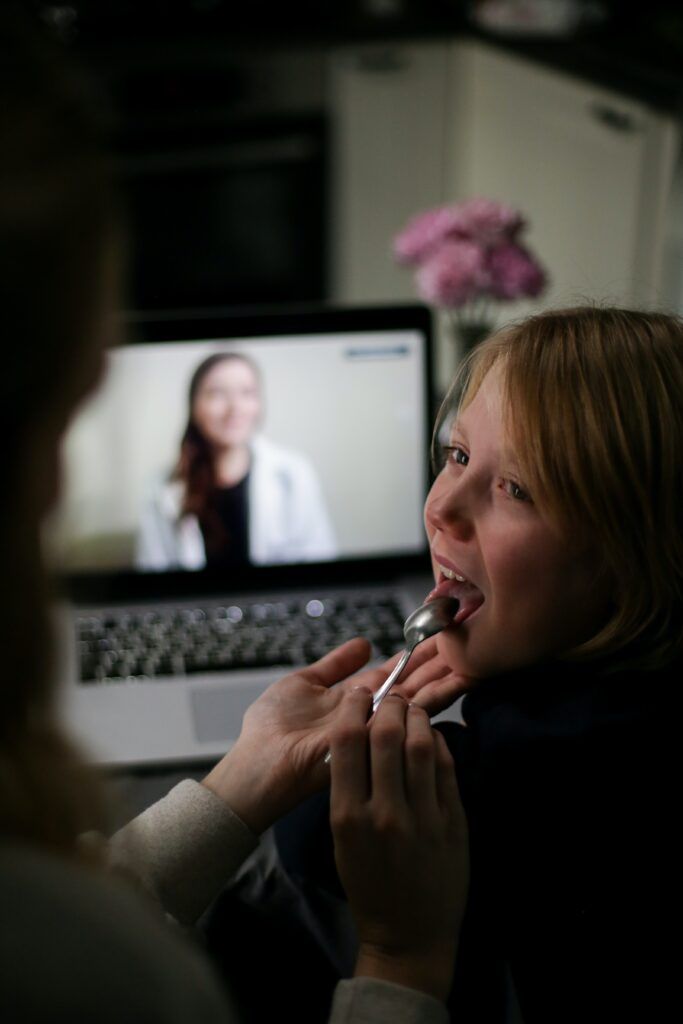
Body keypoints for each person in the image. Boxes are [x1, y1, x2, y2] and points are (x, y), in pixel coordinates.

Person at [0, 9, 469, 1024]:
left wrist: (237, 781)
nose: (447, 503)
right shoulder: (100, 978)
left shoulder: (291, 478)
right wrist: (402, 957)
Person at [266, 305, 683, 1023]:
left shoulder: (509, 784)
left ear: (634, 559)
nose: (441, 508)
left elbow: (307, 831)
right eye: (458, 457)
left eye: (515, 489)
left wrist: (347, 754)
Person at [135, 351, 337, 570]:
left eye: (247, 393)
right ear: (194, 407)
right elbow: (153, 576)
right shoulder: (161, 488)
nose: (234, 408)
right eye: (217, 393)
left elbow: (320, 565)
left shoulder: (294, 473)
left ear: (259, 404)